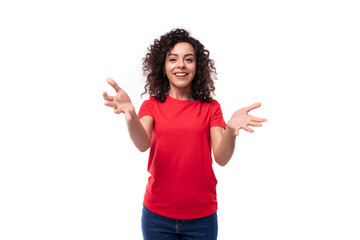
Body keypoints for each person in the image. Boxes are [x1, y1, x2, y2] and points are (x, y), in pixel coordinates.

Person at [103, 28, 267, 240]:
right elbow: (143, 143)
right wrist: (130, 114)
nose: (181, 64)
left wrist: (232, 131)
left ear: (197, 67)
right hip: (157, 216)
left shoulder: (211, 108)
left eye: (188, 59)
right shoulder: (152, 106)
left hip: (202, 218)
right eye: (173, 59)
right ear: (163, 67)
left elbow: (222, 158)